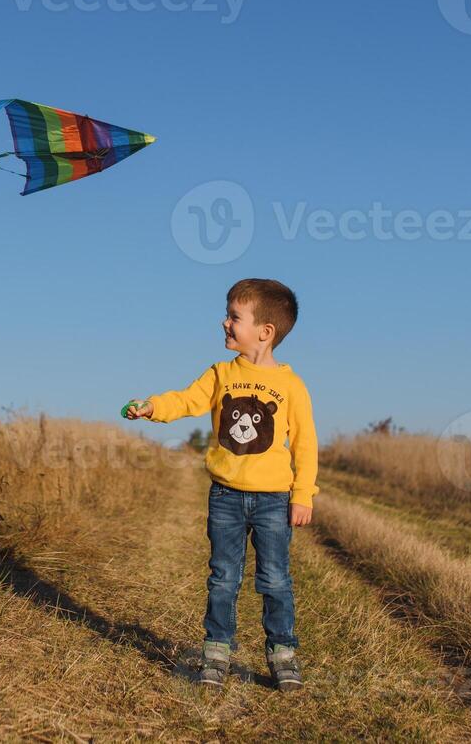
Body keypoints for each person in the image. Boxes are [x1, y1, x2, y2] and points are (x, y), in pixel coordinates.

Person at [123, 279, 318, 691]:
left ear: (265, 332)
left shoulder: (290, 386)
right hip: (226, 496)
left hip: (272, 500)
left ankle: (282, 651)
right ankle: (216, 652)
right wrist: (154, 406)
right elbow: (187, 399)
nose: (224, 323)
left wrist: (303, 495)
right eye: (228, 314)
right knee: (223, 577)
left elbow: (305, 444)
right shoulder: (220, 374)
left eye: (234, 316)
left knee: (275, 578)